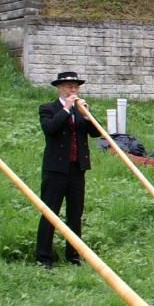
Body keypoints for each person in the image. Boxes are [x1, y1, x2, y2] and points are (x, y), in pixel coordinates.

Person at [35, 71, 103, 270]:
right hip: (55, 170)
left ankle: (73, 255)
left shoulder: (81, 109)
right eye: (68, 87)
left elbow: (96, 132)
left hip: (77, 169)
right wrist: (65, 109)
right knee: (50, 213)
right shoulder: (48, 108)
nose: (73, 90)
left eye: (75, 87)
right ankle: (44, 257)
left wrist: (88, 116)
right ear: (59, 88)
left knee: (75, 213)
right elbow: (50, 129)